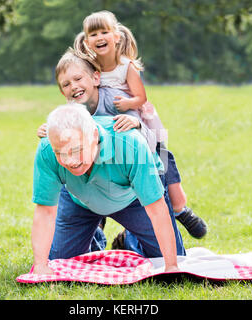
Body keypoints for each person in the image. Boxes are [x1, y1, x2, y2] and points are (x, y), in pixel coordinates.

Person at [73, 10, 207, 239]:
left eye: (104, 32)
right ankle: (96, 228)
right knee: (99, 169)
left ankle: (179, 209)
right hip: (103, 130)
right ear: (87, 41)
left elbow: (141, 97)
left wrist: (128, 103)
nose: (99, 37)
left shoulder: (127, 67)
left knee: (162, 157)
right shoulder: (88, 67)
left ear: (116, 36)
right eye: (93, 34)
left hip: (134, 121)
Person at [31, 104, 186, 275]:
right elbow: (45, 211)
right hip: (80, 198)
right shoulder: (46, 149)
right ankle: (93, 234)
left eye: (76, 150)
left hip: (133, 197)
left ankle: (130, 239)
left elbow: (156, 209)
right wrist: (40, 265)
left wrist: (171, 266)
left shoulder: (130, 144)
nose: (69, 161)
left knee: (172, 258)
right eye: (60, 153)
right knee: (58, 261)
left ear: (94, 136)